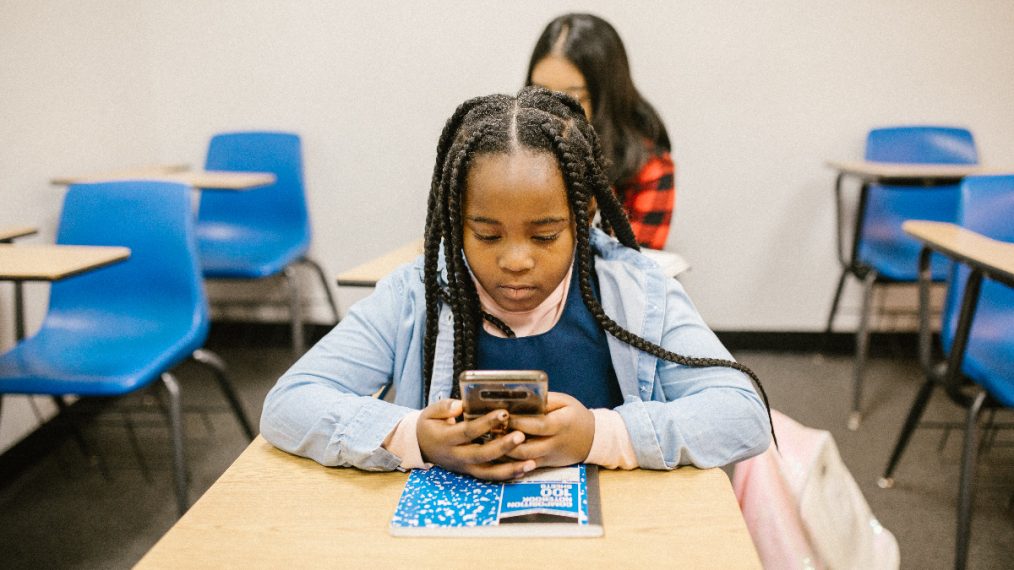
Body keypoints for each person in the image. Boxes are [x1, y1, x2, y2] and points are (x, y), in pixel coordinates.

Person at [260, 87, 771, 481]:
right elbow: (290, 402)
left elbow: (741, 413)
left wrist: (602, 435)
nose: (516, 261)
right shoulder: (417, 294)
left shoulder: (637, 292)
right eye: (486, 235)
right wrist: (410, 436)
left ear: (582, 218)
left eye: (545, 235)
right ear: (456, 222)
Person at [527, 13, 675, 250]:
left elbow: (636, 265)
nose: (551, 111)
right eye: (540, 92)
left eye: (572, 97)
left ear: (605, 97)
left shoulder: (648, 167)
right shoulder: (511, 149)